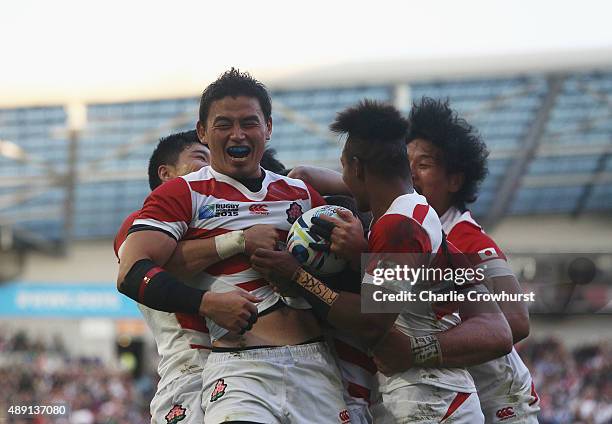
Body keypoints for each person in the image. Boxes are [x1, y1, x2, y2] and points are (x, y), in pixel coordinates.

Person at [252, 100, 512, 423]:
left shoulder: (398, 227)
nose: (343, 176)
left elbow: (371, 320)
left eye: (344, 166)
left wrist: (298, 277)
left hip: (433, 405)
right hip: (434, 402)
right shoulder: (415, 214)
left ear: (358, 168)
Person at [117, 68, 348, 424]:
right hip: (241, 371)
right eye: (223, 124)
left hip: (316, 367)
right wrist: (206, 302)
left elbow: (350, 261)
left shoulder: (301, 195)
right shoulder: (183, 193)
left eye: (248, 123)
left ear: (268, 127)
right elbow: (132, 271)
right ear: (203, 132)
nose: (237, 134)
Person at [406, 97, 539, 423]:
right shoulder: (410, 234)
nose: (410, 176)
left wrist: (422, 348)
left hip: (502, 405)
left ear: (455, 180)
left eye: (423, 165)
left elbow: (517, 320)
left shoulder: (466, 238)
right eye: (403, 165)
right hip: (461, 401)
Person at [114, 130, 212, 424]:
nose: (211, 171)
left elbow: (360, 309)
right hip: (192, 372)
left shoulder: (353, 233)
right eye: (201, 158)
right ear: (166, 174)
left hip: (305, 376)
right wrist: (239, 240)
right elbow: (134, 272)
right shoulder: (140, 224)